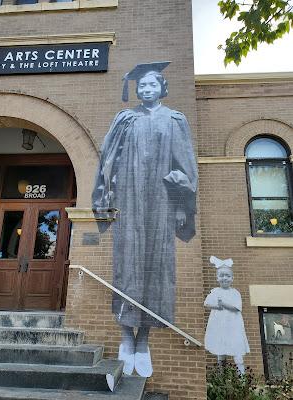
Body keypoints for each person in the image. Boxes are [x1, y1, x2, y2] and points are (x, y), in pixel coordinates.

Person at [92, 62, 198, 377]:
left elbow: (186, 165)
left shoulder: (175, 120)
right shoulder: (125, 118)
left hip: (162, 205)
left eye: (152, 85)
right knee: (127, 263)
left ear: (162, 89)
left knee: (157, 266)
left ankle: (144, 339)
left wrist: (181, 205)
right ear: (137, 90)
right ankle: (126, 335)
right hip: (129, 201)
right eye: (142, 86)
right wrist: (108, 197)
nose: (146, 90)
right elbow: (106, 160)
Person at [204, 256, 250, 374]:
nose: (225, 278)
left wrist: (223, 304)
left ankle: (242, 380)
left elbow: (236, 307)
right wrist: (217, 306)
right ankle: (221, 377)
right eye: (222, 275)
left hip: (233, 325)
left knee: (237, 351)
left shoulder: (235, 293)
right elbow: (207, 303)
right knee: (221, 351)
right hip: (219, 324)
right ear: (217, 278)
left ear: (232, 278)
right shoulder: (215, 291)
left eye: (227, 276)